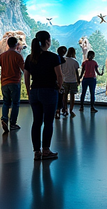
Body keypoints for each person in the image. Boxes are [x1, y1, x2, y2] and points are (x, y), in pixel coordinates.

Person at [24, 31, 63, 160]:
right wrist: (59, 86)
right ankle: (46, 151)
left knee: (36, 122)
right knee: (48, 122)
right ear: (47, 41)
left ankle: (36, 152)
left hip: (35, 92)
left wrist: (29, 91)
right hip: (49, 92)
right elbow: (59, 75)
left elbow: (26, 76)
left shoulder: (30, 57)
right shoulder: (53, 57)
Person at [0, 36, 25, 133]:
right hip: (15, 83)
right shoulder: (18, 56)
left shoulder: (2, 55)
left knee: (6, 102)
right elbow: (23, 69)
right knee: (15, 103)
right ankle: (13, 124)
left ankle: (4, 119)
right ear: (16, 45)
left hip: (4, 83)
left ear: (7, 44)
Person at [61, 47, 80, 116]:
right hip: (73, 81)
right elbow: (76, 72)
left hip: (65, 80)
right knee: (72, 96)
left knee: (64, 95)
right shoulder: (75, 62)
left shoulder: (63, 60)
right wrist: (78, 80)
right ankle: (71, 110)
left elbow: (61, 71)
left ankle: (65, 109)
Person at [55, 46, 68, 118]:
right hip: (63, 80)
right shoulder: (63, 60)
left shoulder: (55, 59)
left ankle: (57, 111)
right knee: (62, 96)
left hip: (56, 80)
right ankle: (63, 109)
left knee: (58, 96)